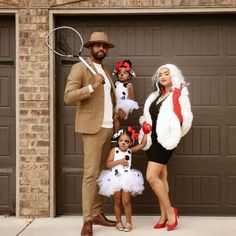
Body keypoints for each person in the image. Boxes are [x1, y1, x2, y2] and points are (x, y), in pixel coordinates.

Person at [64, 32, 122, 236]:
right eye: (98, 46)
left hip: (108, 129)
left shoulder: (105, 71)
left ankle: (97, 213)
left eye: (104, 46)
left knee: (99, 174)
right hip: (92, 129)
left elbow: (108, 101)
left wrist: (117, 114)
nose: (102, 49)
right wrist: (91, 86)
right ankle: (87, 219)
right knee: (90, 175)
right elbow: (68, 97)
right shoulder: (80, 68)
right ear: (90, 48)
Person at [138, 64, 193, 231]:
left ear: (173, 76)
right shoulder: (155, 95)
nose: (162, 77)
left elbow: (186, 118)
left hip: (166, 140)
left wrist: (175, 132)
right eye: (160, 74)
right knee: (161, 177)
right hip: (152, 140)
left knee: (151, 176)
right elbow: (147, 116)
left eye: (166, 74)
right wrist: (145, 125)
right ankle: (163, 215)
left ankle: (170, 212)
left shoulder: (179, 93)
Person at [97, 127, 148, 232]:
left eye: (126, 141)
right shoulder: (114, 151)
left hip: (127, 179)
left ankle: (128, 222)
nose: (123, 143)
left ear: (130, 143)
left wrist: (146, 132)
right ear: (118, 141)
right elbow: (108, 164)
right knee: (117, 201)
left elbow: (142, 144)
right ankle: (119, 222)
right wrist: (119, 161)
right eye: (121, 141)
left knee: (126, 201)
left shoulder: (130, 151)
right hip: (115, 178)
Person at [112, 60, 139, 130]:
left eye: (124, 73)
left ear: (129, 76)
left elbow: (131, 98)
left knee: (115, 118)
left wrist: (129, 89)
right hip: (115, 104)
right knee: (112, 119)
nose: (121, 74)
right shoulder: (116, 83)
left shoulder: (129, 85)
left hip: (124, 105)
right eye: (120, 73)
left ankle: (116, 133)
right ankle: (113, 132)